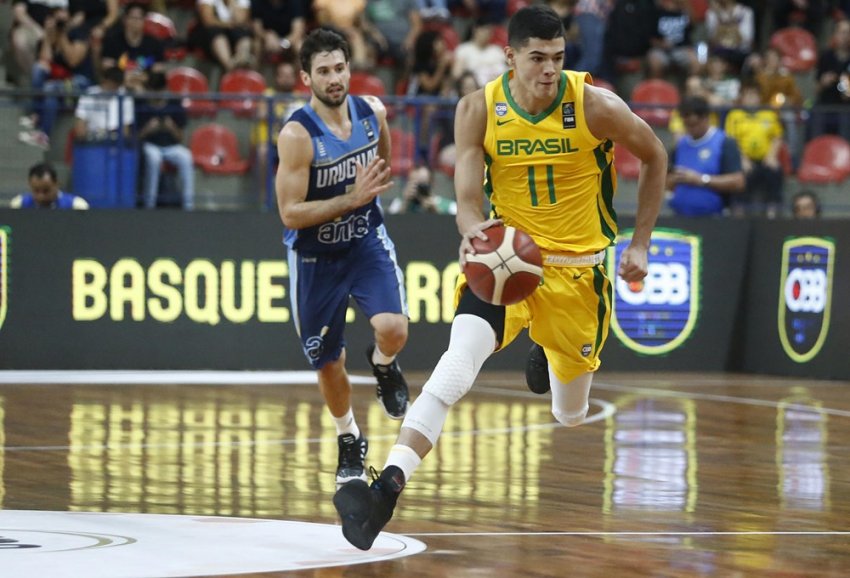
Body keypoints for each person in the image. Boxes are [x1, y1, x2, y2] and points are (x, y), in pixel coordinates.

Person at [332, 4, 668, 551]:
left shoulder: (593, 105)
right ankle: (385, 490)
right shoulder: (478, 109)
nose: (549, 70)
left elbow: (654, 154)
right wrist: (472, 233)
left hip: (578, 275)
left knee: (571, 413)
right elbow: (467, 203)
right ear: (509, 57)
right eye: (537, 58)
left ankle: (546, 352)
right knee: (453, 367)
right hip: (508, 263)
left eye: (557, 58)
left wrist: (642, 242)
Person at [275, 28, 411, 488]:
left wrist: (363, 199)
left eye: (339, 68)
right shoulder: (296, 135)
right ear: (305, 78)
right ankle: (348, 437)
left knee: (394, 328)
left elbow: (384, 163)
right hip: (316, 258)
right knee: (327, 361)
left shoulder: (373, 113)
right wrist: (349, 199)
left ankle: (384, 366)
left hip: (364, 241)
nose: (334, 78)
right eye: (323, 71)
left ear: (349, 68)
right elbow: (290, 213)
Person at [667, 95, 745, 216]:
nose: (690, 129)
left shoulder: (724, 142)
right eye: (686, 125)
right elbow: (668, 182)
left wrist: (701, 179)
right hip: (680, 215)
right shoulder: (680, 145)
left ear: (705, 118)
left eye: (694, 124)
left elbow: (738, 181)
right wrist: (673, 180)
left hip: (713, 218)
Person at [724, 83, 785, 218]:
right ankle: (738, 215)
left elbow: (777, 137)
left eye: (754, 95)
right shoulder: (734, 116)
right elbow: (731, 141)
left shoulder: (769, 114)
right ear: (742, 98)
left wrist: (771, 156)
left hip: (765, 159)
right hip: (743, 159)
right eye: (748, 95)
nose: (751, 99)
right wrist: (743, 159)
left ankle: (772, 214)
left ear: (759, 97)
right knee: (739, 177)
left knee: (775, 172)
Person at [136, 71, 195, 210]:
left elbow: (180, 137)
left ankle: (189, 207)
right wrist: (148, 129)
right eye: (154, 91)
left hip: (171, 146)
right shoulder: (141, 103)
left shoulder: (174, 103)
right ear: (148, 89)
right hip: (149, 145)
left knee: (186, 157)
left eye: (160, 90)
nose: (157, 94)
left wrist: (172, 127)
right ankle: (149, 205)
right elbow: (135, 137)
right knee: (154, 158)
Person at [11, 162, 90, 209]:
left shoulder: (76, 206)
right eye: (36, 191)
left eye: (46, 191)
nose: (41, 196)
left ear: (57, 184)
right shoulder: (19, 205)